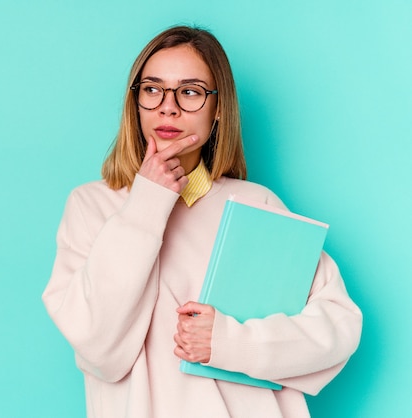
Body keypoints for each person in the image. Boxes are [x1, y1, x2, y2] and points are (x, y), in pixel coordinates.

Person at [42, 25, 362, 418]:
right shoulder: (91, 206)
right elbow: (99, 349)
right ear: (135, 102)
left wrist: (230, 342)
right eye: (152, 89)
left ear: (218, 109)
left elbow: (338, 326)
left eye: (190, 91)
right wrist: (148, 200)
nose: (168, 107)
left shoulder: (257, 204)